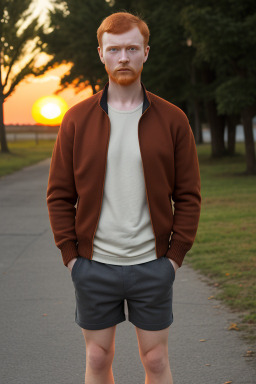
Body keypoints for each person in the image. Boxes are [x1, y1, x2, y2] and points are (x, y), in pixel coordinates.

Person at [46, 11, 201, 384]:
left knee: (156, 360)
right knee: (98, 358)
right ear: (101, 53)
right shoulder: (76, 119)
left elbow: (189, 195)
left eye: (132, 48)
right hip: (94, 266)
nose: (124, 57)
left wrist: (174, 258)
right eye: (114, 49)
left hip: (153, 265)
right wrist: (71, 257)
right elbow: (59, 194)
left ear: (146, 52)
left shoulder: (173, 119)